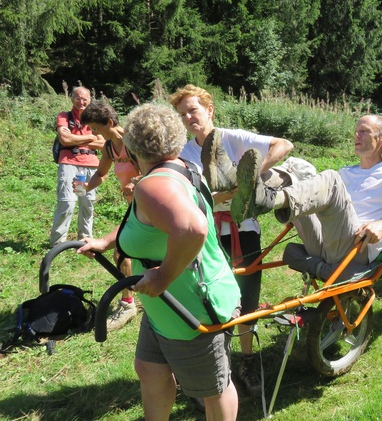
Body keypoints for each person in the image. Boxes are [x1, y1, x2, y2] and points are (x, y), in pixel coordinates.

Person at [78, 103, 241, 421]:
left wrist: (164, 276)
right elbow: (145, 223)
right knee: (150, 370)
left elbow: (192, 227)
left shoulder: (153, 185)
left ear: (133, 145)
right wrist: (105, 241)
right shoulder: (181, 168)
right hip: (166, 306)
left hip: (190, 307)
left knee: (213, 389)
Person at [168, 84, 294, 397]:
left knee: (247, 299)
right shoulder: (184, 153)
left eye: (193, 110)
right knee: (209, 297)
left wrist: (250, 177)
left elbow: (284, 144)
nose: (188, 118)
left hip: (243, 228)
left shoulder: (233, 136)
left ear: (209, 110)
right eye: (183, 114)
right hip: (207, 233)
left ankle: (248, 360)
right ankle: (217, 361)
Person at [230, 114, 382, 282]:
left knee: (331, 179)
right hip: (323, 243)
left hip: (354, 250)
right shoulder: (346, 172)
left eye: (363, 131)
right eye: (356, 131)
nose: (356, 135)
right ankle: (239, 186)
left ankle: (267, 199)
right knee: (296, 167)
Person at [80, 101, 142, 331]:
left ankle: (128, 304)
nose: (93, 133)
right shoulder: (109, 148)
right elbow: (101, 173)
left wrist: (136, 181)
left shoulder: (133, 142)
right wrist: (83, 188)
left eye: (95, 128)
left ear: (109, 122)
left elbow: (153, 169)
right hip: (134, 206)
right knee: (128, 252)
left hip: (149, 205)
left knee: (121, 250)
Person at [50, 86, 105, 247]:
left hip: (91, 164)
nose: (81, 102)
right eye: (78, 98)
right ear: (72, 98)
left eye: (85, 99)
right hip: (69, 162)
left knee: (87, 202)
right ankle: (58, 243)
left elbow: (102, 143)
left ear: (90, 100)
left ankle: (85, 239)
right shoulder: (64, 116)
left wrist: (76, 137)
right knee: (67, 201)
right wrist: (89, 138)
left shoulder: (95, 119)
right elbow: (65, 140)